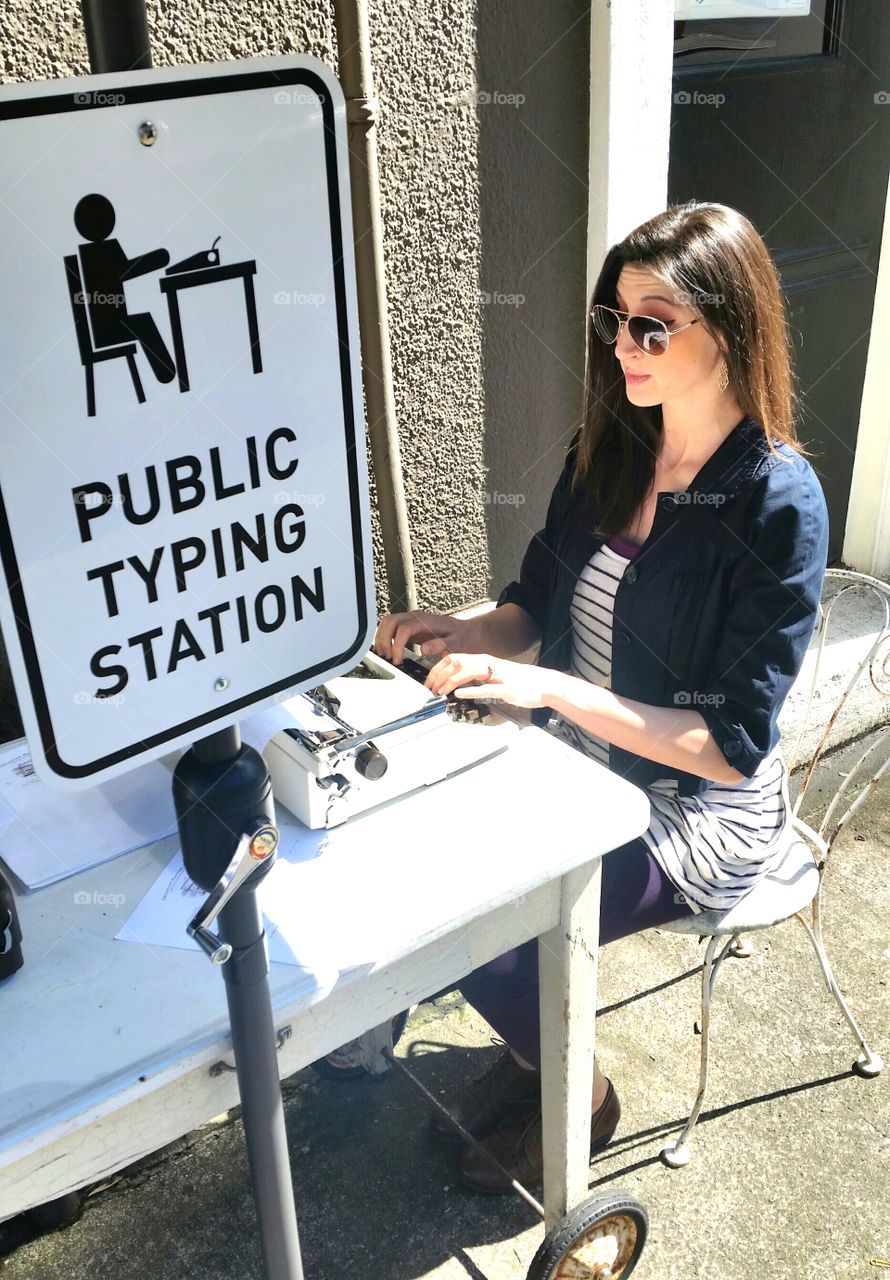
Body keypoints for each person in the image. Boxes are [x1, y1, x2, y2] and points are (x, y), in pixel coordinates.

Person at [372, 201, 830, 1192]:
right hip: (580, 769)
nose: (622, 343)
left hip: (698, 806)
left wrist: (546, 691)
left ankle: (578, 1095)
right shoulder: (608, 444)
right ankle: (542, 1041)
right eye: (612, 320)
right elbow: (529, 604)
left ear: (727, 327)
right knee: (422, 879)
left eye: (651, 324)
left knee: (489, 929)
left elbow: (726, 744)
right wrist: (458, 635)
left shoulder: (774, 501)